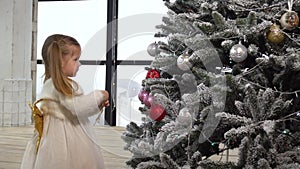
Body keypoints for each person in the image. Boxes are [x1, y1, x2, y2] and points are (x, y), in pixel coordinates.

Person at [20, 34, 109, 169]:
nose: (79, 64)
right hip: (66, 140)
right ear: (61, 62)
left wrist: (96, 106)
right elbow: (77, 108)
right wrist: (99, 95)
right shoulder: (60, 86)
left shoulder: (52, 84)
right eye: (75, 59)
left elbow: (77, 110)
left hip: (58, 136)